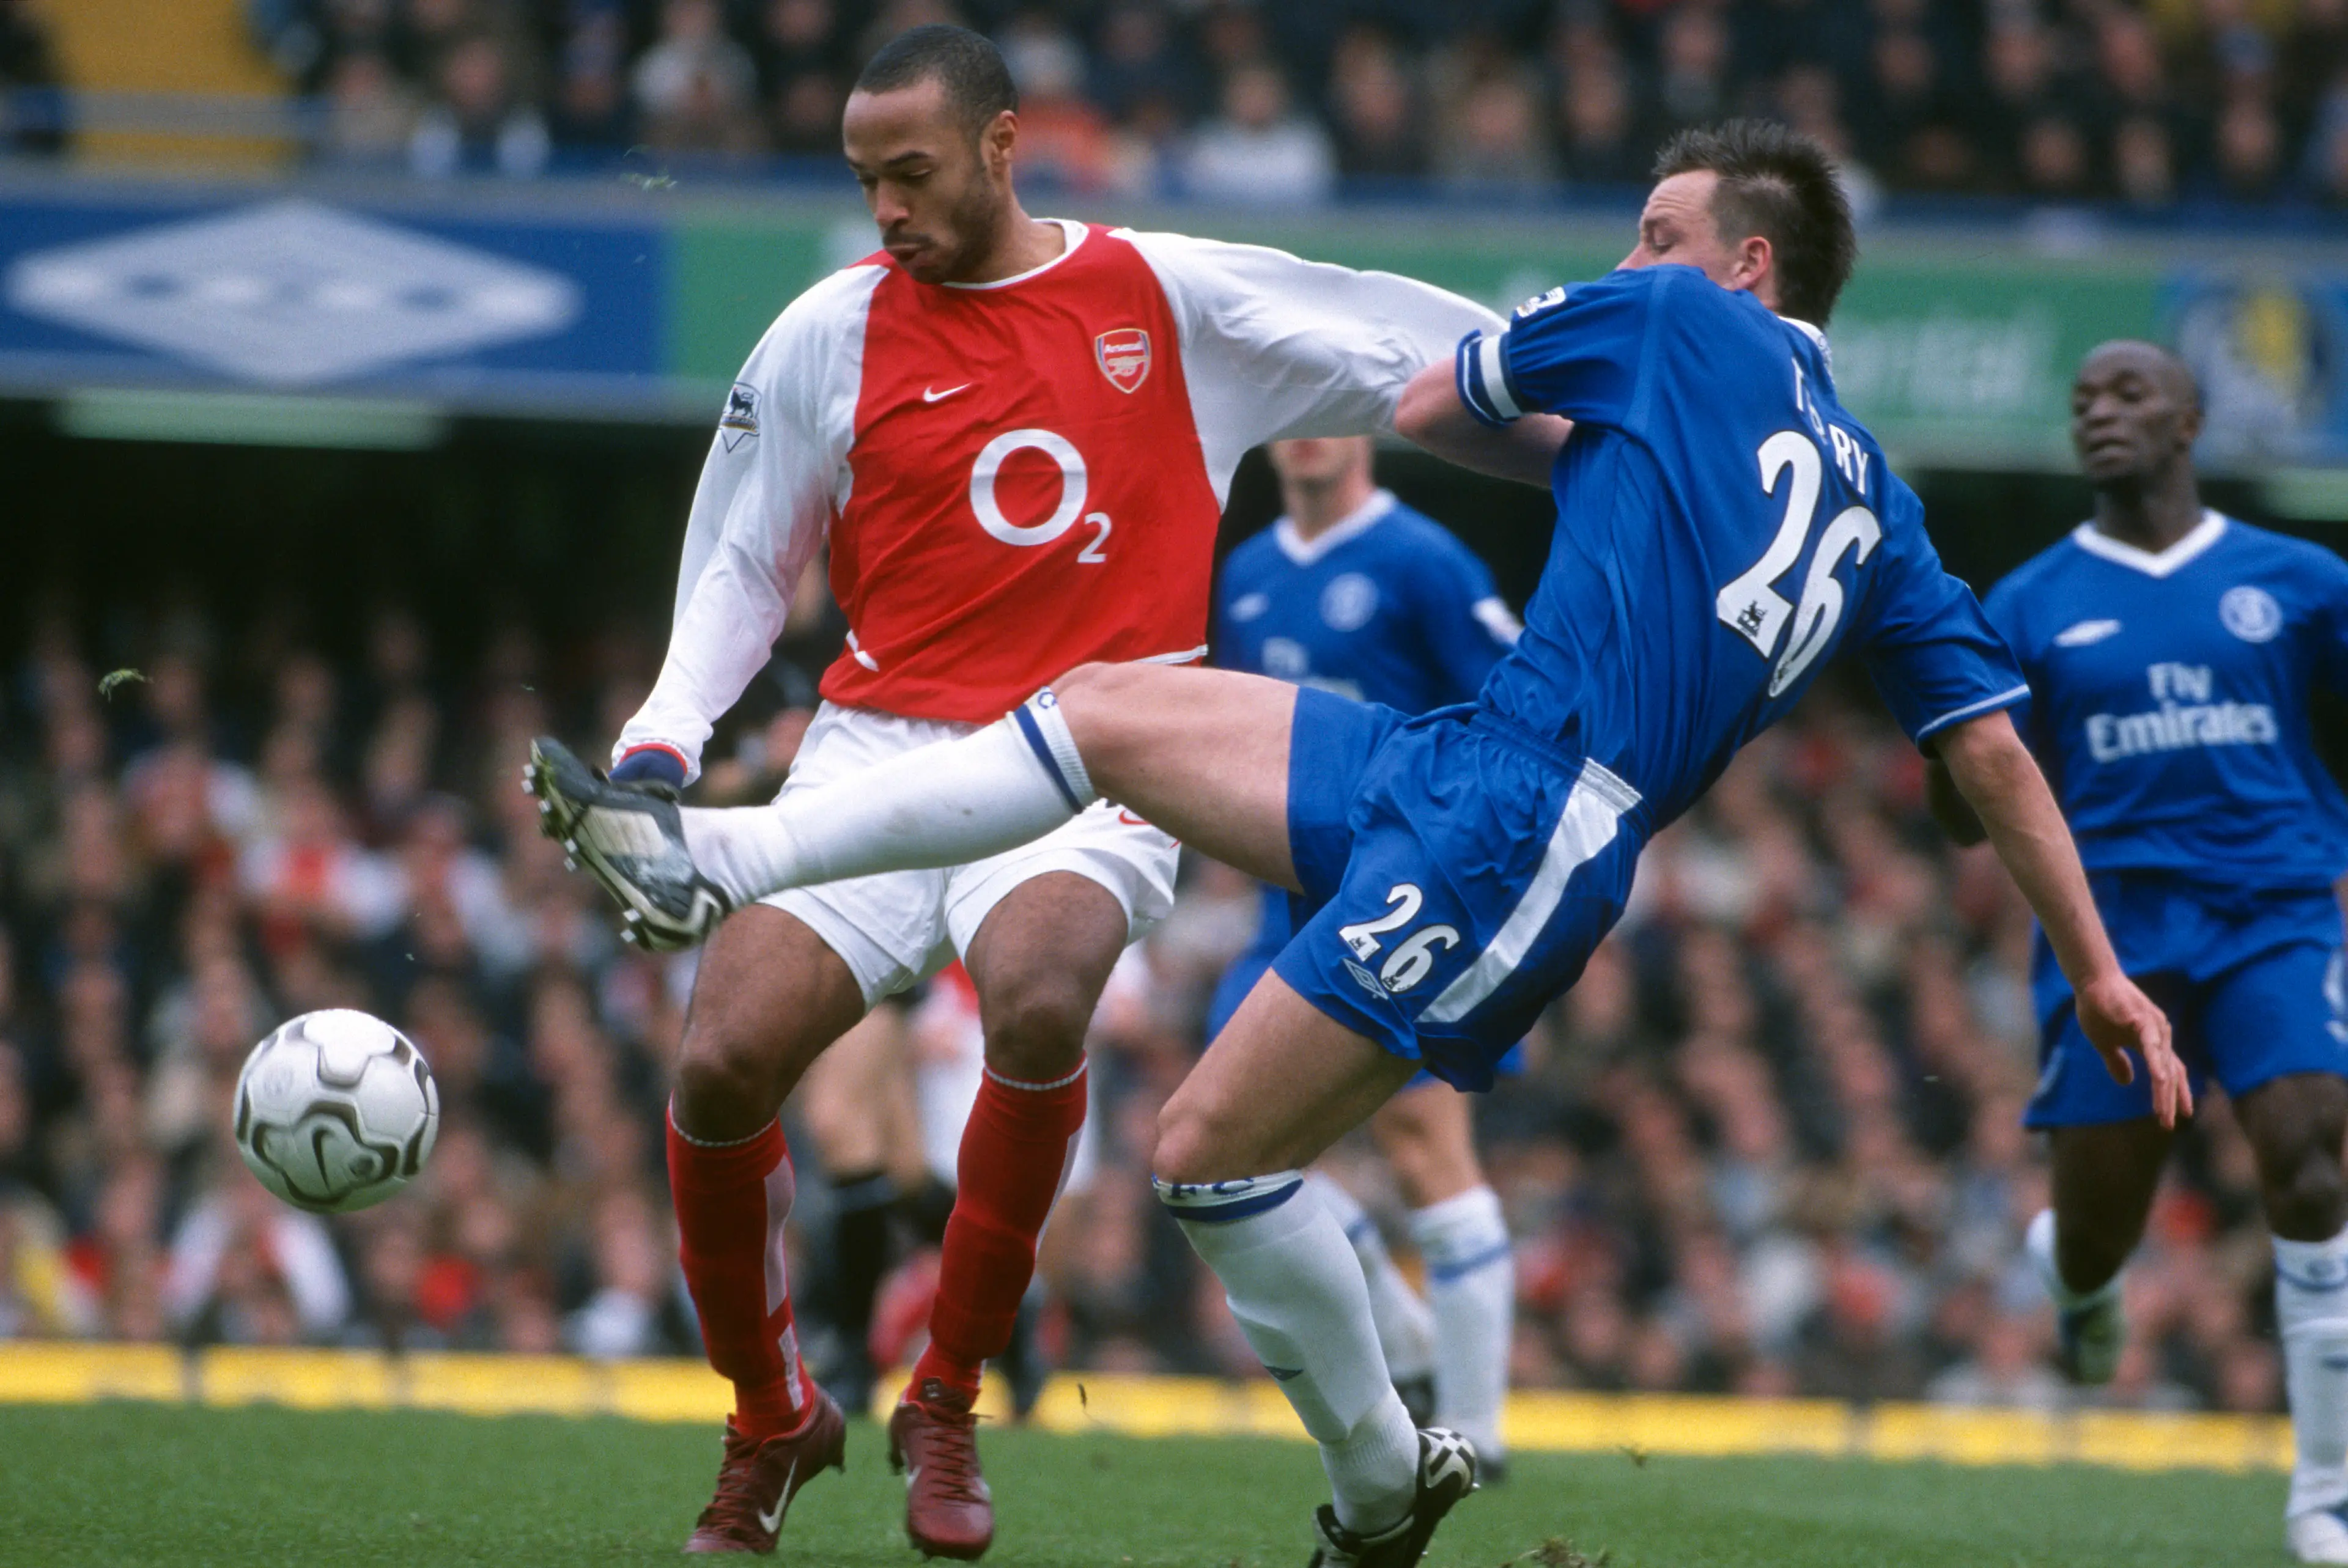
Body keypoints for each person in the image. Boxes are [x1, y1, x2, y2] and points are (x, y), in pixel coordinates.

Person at [532, 121, 2188, 1567]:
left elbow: (1430, 390)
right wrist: (2100, 969)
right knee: (1111, 704)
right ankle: (736, 859)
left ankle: (1382, 1479)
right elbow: (1990, 746)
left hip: (1530, 824)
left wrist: (1567, 392)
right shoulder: (1883, 509)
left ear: (1746, 267)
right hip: (1465, 753)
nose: (1630, 256)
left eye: (1659, 232)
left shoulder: (1677, 323)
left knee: (1210, 1156)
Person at [539, 21, 1501, 1561]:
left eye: (909, 176)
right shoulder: (828, 332)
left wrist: (1603, 391)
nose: (886, 212)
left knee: (1042, 994)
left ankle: (948, 1393)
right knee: (723, 1064)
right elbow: (742, 559)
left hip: (1102, 753)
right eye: (864, 182)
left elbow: (1407, 339)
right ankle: (774, 1415)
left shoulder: (1166, 297)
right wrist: (664, 743)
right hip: (877, 754)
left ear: (1002, 147)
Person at [1936, 340, 2348, 1565]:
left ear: (2189, 420)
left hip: (2275, 911)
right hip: (2109, 932)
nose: (2101, 415)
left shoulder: (2306, 581)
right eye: (2084, 403)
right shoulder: (2026, 604)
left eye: (2128, 395)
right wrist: (1938, 740)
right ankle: (2078, 1286)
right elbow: (1965, 812)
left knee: (2315, 1168)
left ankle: (2324, 1493)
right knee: (2099, 1227)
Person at [1208, 435, 1521, 1473]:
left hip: (1407, 905)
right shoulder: (1246, 572)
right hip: (1285, 909)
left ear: (1368, 431)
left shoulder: (1424, 560)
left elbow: (1515, 718)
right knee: (1224, 1148)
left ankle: (1477, 1429)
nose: (1308, 433)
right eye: (1290, 412)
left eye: (1332, 411)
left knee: (1428, 1145)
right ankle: (1409, 1335)